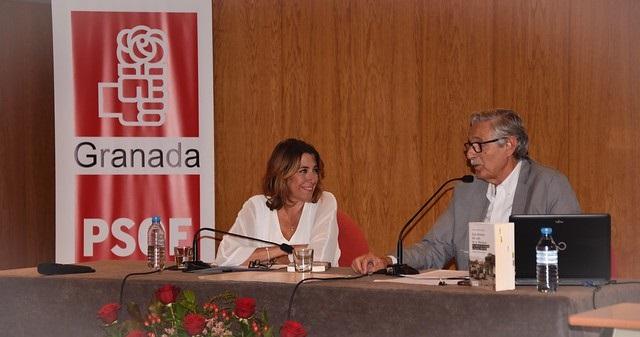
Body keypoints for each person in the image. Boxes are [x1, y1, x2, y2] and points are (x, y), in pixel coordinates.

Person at [352, 109, 581, 274]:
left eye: (479, 145)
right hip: (473, 302)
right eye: (469, 146)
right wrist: (388, 260)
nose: (470, 154)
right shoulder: (467, 190)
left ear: (509, 145)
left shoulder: (549, 185)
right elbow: (435, 247)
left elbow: (572, 253)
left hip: (530, 303)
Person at [215, 138, 341, 267]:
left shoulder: (325, 202)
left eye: (315, 170)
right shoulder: (256, 207)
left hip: (312, 287)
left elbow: (320, 259)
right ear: (283, 174)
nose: (312, 178)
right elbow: (224, 258)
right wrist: (281, 250)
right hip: (261, 287)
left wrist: (267, 259)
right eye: (303, 171)